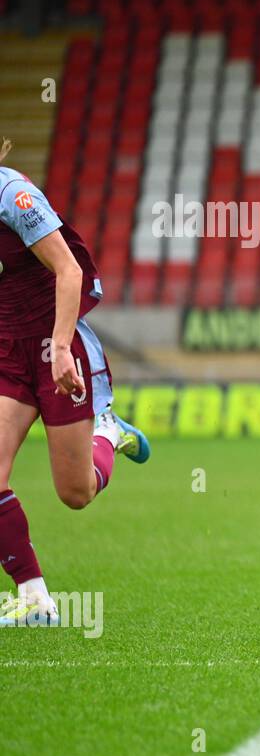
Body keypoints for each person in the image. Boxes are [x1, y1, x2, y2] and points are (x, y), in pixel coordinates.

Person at [0, 139, 151, 626]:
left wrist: (62, 347)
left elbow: (68, 269)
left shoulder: (13, 195)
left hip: (53, 344)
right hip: (7, 352)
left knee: (75, 493)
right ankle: (35, 597)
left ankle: (110, 432)